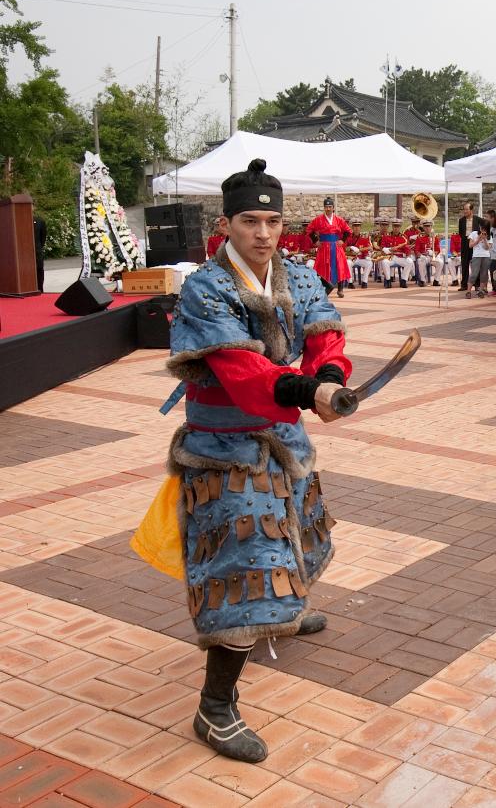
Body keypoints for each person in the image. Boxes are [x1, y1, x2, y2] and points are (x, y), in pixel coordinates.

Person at [165, 158, 350, 763]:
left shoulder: (295, 275)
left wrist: (326, 373)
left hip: (282, 437)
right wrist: (308, 393)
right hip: (224, 448)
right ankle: (215, 708)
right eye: (251, 221)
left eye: (272, 221)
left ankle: (289, 608)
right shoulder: (205, 287)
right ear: (227, 226)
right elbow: (242, 374)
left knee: (301, 529)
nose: (264, 233)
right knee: (244, 565)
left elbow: (325, 334)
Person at [305, 197, 352, 297]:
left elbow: (348, 231)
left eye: (330, 207)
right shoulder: (318, 219)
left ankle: (340, 289)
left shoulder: (339, 220)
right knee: (322, 266)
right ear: (324, 208)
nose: (328, 209)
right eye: (326, 207)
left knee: (340, 266)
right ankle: (324, 287)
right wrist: (315, 241)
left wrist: (342, 240)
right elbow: (309, 230)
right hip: (324, 246)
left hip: (336, 246)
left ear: (333, 208)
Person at [466, 225, 492, 298]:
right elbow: (470, 245)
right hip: (476, 256)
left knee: (484, 274)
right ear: (480, 227)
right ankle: (468, 291)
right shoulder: (474, 233)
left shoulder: (489, 235)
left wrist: (485, 239)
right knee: (474, 274)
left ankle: (481, 291)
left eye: (485, 228)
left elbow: (487, 248)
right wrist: (478, 239)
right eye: (482, 228)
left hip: (486, 256)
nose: (483, 230)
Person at [348, 223, 373, 288]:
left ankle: (364, 282)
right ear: (352, 227)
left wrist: (361, 250)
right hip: (351, 258)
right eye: (355, 226)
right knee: (348, 263)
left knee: (369, 263)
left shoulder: (364, 237)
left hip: (361, 257)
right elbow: (344, 247)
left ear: (360, 227)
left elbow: (370, 248)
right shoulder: (348, 237)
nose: (356, 228)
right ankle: (350, 283)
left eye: (358, 226)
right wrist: (350, 247)